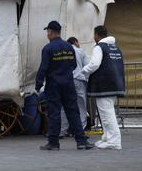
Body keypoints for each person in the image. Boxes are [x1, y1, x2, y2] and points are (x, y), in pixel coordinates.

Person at [36, 21, 95, 151]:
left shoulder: (48, 48)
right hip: (68, 84)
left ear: (50, 32)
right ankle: (81, 141)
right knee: (73, 112)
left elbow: (43, 68)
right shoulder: (69, 47)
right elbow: (73, 65)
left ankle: (53, 143)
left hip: (54, 85)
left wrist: (38, 85)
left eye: (47, 32)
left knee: (55, 113)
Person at [82, 25, 125, 150]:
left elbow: (94, 64)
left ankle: (114, 141)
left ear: (97, 35)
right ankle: (107, 137)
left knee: (107, 114)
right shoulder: (115, 48)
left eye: (94, 35)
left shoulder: (99, 47)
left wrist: (83, 71)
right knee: (106, 112)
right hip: (114, 84)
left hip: (103, 86)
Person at [60, 37, 89, 137]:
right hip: (79, 80)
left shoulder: (64, 51)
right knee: (81, 106)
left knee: (65, 106)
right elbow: (87, 66)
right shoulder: (80, 51)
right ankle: (79, 131)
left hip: (66, 80)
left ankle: (62, 130)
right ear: (76, 42)